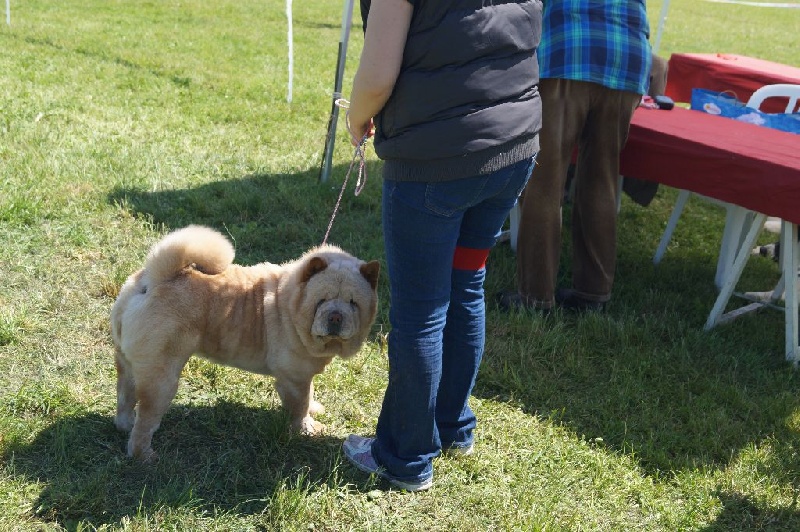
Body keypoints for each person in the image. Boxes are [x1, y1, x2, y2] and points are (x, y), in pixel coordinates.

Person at [340, 0, 543, 491]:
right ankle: (452, 427)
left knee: (421, 311)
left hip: (438, 163)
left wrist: (356, 119)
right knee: (465, 282)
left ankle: (405, 457)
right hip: (512, 149)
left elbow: (376, 77)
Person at [499, 0, 652, 313]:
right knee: (602, 180)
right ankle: (593, 292)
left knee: (544, 182)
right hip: (628, 57)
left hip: (569, 49)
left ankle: (535, 297)